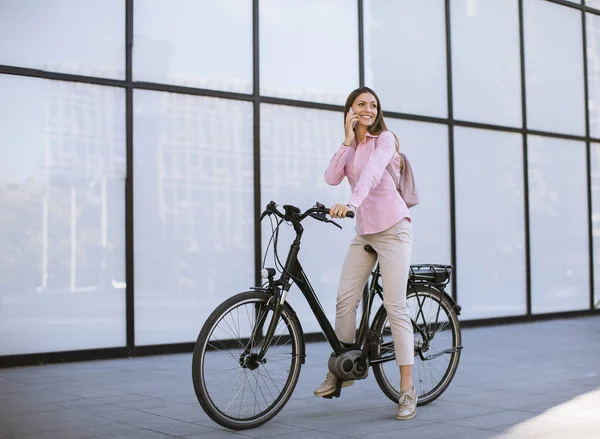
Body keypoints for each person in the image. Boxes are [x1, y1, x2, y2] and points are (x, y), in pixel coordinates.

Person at [315, 86, 416, 420]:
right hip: (366, 233)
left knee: (395, 306)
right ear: (350, 110)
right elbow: (331, 178)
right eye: (362, 104)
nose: (369, 109)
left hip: (393, 230)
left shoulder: (385, 139)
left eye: (373, 105)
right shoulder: (353, 146)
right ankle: (342, 368)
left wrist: (352, 204)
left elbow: (372, 175)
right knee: (345, 300)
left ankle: (407, 389)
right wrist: (346, 140)